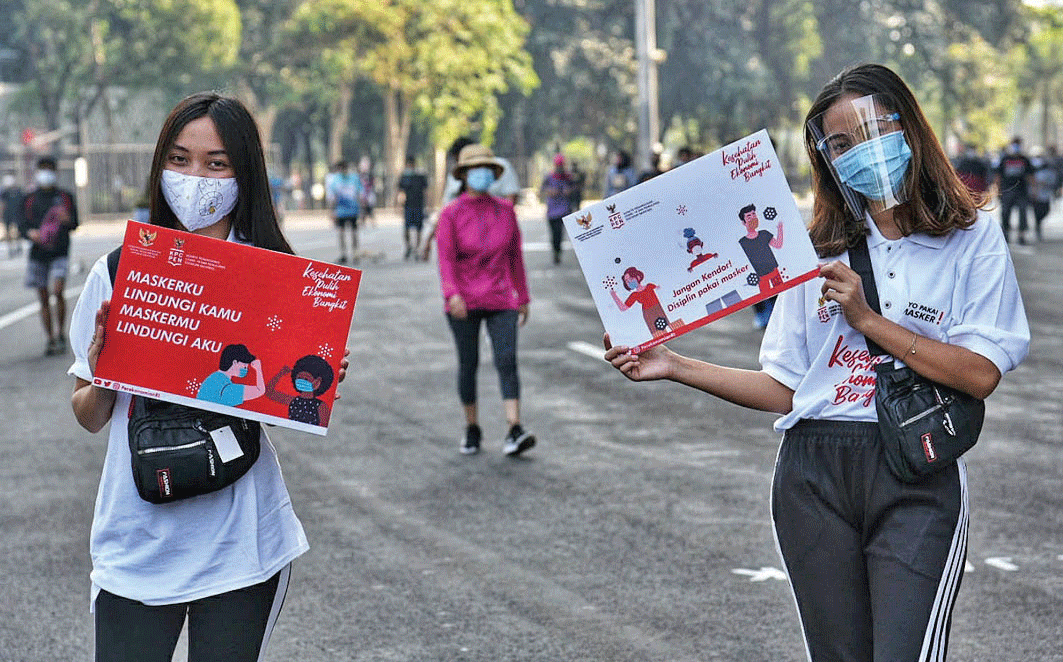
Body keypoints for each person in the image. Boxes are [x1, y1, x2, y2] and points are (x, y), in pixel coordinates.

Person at [604, 64, 1029, 662]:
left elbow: (980, 373)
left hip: (913, 468)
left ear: (909, 129)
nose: (862, 152)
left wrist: (869, 320)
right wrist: (672, 364)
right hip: (813, 473)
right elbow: (783, 386)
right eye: (840, 144)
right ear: (825, 159)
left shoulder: (971, 237)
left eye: (875, 130)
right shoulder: (811, 252)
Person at [68, 91, 348, 662]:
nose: (196, 177)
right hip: (135, 543)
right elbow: (89, 416)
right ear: (159, 166)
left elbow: (293, 411)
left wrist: (314, 381)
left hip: (243, 543)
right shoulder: (120, 270)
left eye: (216, 163)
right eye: (180, 158)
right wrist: (105, 373)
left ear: (244, 173)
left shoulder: (275, 274)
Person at [435, 143, 536, 457]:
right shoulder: (451, 214)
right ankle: (472, 427)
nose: (480, 174)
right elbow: (446, 259)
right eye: (474, 169)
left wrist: (523, 296)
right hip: (463, 303)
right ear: (464, 175)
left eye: (486, 169)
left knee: (507, 361)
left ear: (493, 174)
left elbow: (515, 256)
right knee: (469, 365)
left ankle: (514, 428)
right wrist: (452, 294)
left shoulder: (505, 211)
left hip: (501, 298)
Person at [20, 156, 79, 356]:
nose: (46, 173)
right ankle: (51, 338)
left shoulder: (65, 197)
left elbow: (75, 223)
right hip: (38, 255)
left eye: (49, 169)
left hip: (60, 251)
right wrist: (30, 234)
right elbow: (22, 225)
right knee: (43, 297)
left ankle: (61, 332)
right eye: (42, 169)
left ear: (55, 172)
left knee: (58, 290)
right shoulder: (29, 198)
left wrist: (67, 220)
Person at [994, 136, 1033, 244]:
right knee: (1005, 213)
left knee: (1023, 213)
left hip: (1022, 191)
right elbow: (998, 175)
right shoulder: (1005, 159)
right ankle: (1006, 233)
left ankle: (1021, 235)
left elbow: (1030, 175)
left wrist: (1034, 190)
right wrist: (997, 190)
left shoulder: (1024, 159)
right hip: (1007, 190)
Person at [327, 160, 363, 264]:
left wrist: (361, 210)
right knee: (341, 233)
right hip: (341, 211)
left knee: (354, 233)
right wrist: (332, 211)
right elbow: (332, 197)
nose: (341, 171)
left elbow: (359, 194)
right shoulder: (335, 179)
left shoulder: (354, 178)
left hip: (353, 210)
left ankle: (355, 253)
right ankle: (343, 254)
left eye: (342, 168)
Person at [540, 153, 573, 264]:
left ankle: (558, 251)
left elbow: (575, 189)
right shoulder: (549, 176)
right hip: (552, 211)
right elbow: (542, 189)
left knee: (559, 233)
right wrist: (550, 192)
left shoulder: (568, 177)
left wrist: (569, 192)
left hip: (564, 210)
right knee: (554, 234)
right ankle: (555, 251)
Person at [397, 155, 429, 260]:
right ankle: (409, 247)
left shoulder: (420, 176)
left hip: (419, 205)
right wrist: (398, 205)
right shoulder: (404, 176)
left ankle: (417, 249)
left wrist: (428, 205)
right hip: (408, 206)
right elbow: (401, 192)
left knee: (419, 229)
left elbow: (426, 191)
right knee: (406, 228)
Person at [1029, 149, 1059, 243]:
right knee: (1037, 212)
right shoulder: (1033, 171)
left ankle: (1039, 223)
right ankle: (1038, 226)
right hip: (1036, 195)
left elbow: (1053, 181)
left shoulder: (1049, 171)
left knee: (1046, 210)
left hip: (1045, 195)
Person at [1, 173, 24, 257]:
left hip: (18, 213)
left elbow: (22, 203)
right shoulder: (5, 192)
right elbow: (2, 204)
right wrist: (1, 214)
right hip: (8, 214)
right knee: (7, 231)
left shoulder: (19, 191)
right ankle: (10, 248)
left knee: (18, 230)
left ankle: (19, 246)